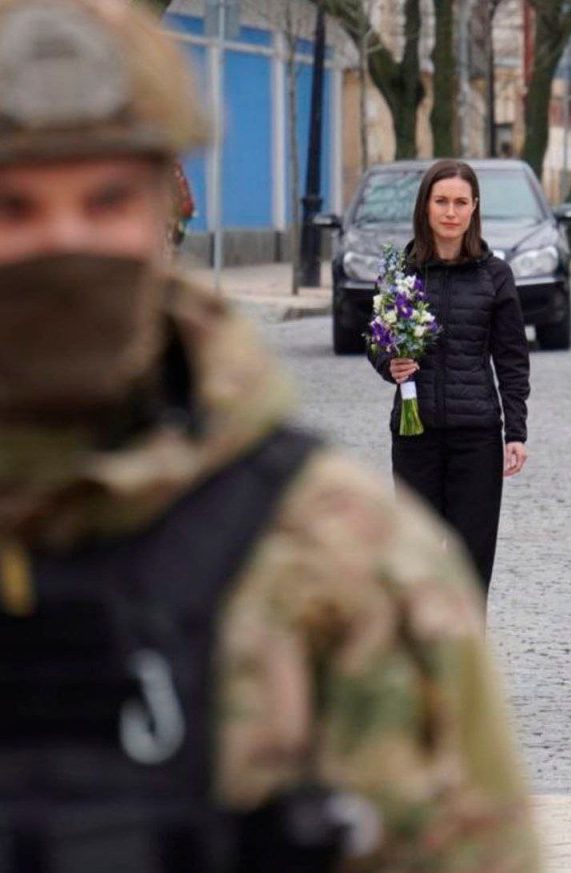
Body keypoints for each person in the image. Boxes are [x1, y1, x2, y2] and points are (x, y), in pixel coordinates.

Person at [0, 3, 541, 871]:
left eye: (105, 199)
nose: (65, 242)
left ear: (163, 218)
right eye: (14, 204)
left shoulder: (348, 562)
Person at [370, 159, 530, 601]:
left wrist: (515, 431)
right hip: (414, 433)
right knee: (415, 562)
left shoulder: (494, 275)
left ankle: (466, 661)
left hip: (475, 437)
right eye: (441, 201)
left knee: (469, 564)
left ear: (474, 208)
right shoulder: (400, 271)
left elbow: (512, 359)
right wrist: (390, 363)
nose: (451, 211)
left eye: (461, 202)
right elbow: (376, 339)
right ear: (425, 207)